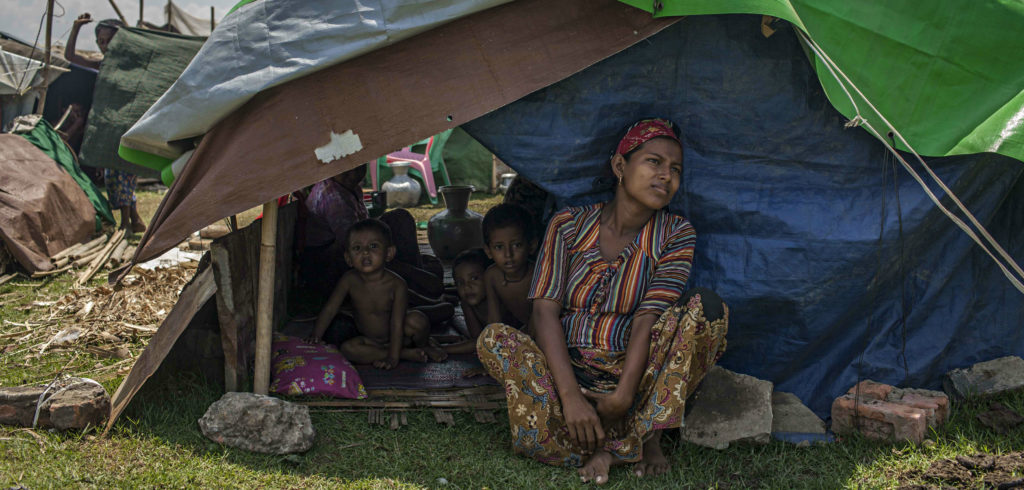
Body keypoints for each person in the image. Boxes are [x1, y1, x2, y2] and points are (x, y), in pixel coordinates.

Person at [476, 118, 729, 485]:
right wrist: (571, 398)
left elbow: (647, 317)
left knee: (707, 312)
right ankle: (624, 441)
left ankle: (626, 438)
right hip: (565, 375)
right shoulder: (567, 225)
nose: (666, 176)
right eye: (654, 162)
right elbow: (544, 311)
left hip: (636, 378)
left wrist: (622, 395)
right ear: (619, 166)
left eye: (675, 169)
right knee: (495, 338)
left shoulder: (675, 233)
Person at [301, 164, 448, 308]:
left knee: (400, 220)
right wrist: (410, 271)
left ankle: (417, 284)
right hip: (333, 264)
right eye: (345, 169)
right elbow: (355, 247)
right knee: (398, 225)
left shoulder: (349, 187)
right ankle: (414, 291)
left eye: (359, 167)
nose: (353, 174)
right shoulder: (333, 196)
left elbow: (363, 228)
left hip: (355, 249)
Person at [308, 219, 447, 368]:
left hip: (402, 336)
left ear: (389, 253)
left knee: (417, 320)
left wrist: (392, 359)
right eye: (357, 248)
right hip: (369, 341)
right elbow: (330, 309)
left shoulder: (397, 284)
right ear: (348, 258)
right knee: (348, 349)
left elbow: (397, 323)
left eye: (373, 246)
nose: (365, 252)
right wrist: (315, 336)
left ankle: (423, 345)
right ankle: (406, 354)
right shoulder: (349, 280)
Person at [66, 14, 146, 233]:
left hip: (128, 125)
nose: (104, 46)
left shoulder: (132, 65)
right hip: (107, 128)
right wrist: (75, 28)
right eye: (100, 42)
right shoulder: (102, 64)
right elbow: (70, 56)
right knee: (112, 176)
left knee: (123, 173)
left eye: (109, 40)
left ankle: (127, 223)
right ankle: (135, 221)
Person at [481, 203, 537, 333]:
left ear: (532, 246)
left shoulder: (538, 274)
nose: (508, 254)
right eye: (499, 247)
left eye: (516, 245)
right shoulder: (492, 276)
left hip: (545, 331)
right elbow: (494, 320)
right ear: (488, 251)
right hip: (521, 334)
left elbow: (541, 319)